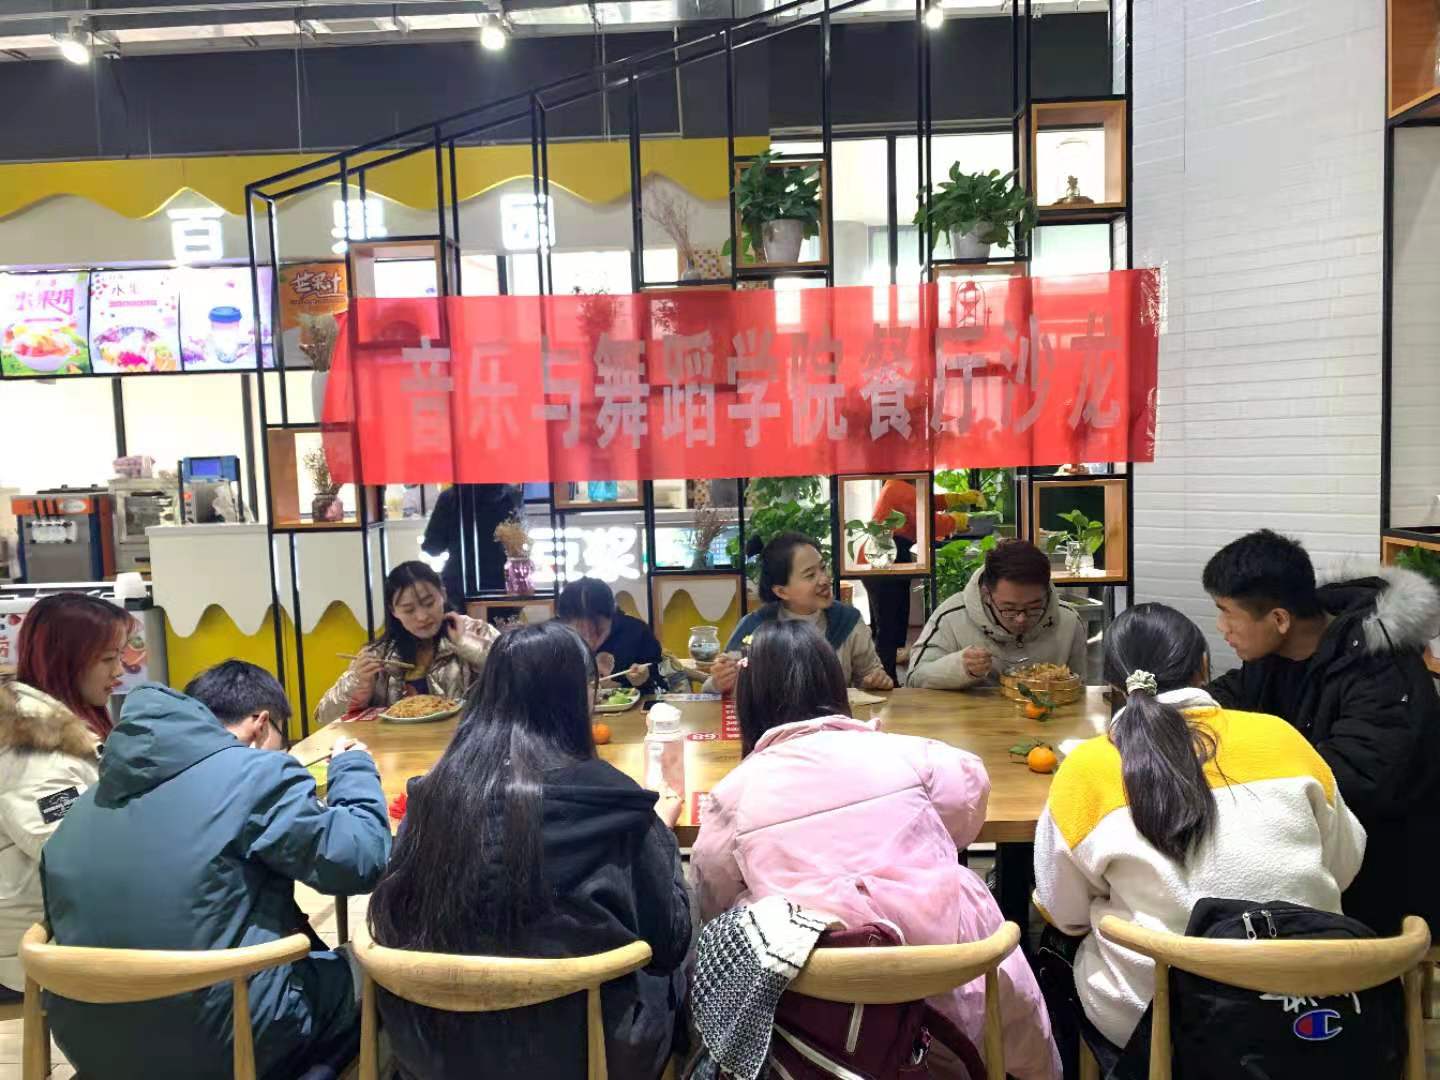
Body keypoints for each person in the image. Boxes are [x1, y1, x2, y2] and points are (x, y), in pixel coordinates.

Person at [692, 619, 1060, 1080]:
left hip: (818, 1029)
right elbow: (969, 800)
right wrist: (924, 843)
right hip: (957, 1014)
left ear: (750, 701)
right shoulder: (909, 754)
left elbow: (712, 896)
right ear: (834, 684)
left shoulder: (736, 792)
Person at [1032, 604, 1365, 1074]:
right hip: (1312, 1005)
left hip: (1159, 1021)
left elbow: (1064, 912)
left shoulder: (1088, 767)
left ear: (1112, 684)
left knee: (1055, 946)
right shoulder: (1282, 738)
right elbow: (1345, 864)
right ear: (1204, 667)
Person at [368, 621, 691, 1080]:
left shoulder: (432, 796)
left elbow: (390, 916)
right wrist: (659, 833)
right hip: (586, 1058)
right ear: (581, 696)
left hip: (433, 1054)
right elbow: (670, 940)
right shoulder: (615, 802)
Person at [41, 661, 390, 1080]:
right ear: (261, 724)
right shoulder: (255, 773)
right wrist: (353, 769)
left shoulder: (86, 805)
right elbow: (361, 861)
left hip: (93, 1048)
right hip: (229, 1043)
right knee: (387, 969)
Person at [1202, 529, 1440, 935]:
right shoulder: (1273, 653)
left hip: (1384, 875)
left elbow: (1354, 779)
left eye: (1227, 612)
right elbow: (1235, 694)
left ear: (1279, 619)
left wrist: (1246, 768)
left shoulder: (1381, 670)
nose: (1221, 626)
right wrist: (1180, 709)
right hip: (1317, 849)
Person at [0, 681, 99, 1004]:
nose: (118, 671)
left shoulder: (32, 726)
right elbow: (70, 851)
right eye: (106, 659)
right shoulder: (30, 736)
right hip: (33, 957)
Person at [316, 560, 498, 724]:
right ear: (393, 611)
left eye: (429, 603)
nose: (422, 617)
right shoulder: (380, 654)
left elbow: (513, 677)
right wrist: (358, 683)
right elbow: (324, 717)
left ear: (442, 594)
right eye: (409, 610)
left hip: (465, 742)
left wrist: (466, 644)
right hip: (399, 746)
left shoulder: (475, 631)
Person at [709, 532, 892, 693]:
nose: (824, 579)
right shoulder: (755, 627)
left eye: (823, 567)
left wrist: (876, 681)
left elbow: (869, 675)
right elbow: (714, 687)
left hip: (833, 720)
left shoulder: (847, 621)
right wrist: (719, 682)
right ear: (781, 591)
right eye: (810, 575)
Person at [906, 538, 1087, 690]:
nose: (1021, 619)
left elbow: (1082, 690)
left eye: (1034, 608)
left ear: (1047, 593)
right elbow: (914, 680)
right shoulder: (951, 617)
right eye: (1009, 609)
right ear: (986, 594)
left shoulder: (1068, 621)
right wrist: (959, 667)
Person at [864, 479, 978, 682]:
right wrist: (956, 521)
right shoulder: (899, 487)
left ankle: (885, 671)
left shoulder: (898, 486)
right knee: (888, 624)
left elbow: (924, 502)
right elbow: (929, 520)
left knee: (888, 620)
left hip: (884, 558)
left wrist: (954, 499)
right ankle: (886, 678)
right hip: (885, 558)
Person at [15, 592, 132, 740]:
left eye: (120, 656)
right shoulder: (45, 746)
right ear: (60, 661)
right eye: (108, 658)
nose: (119, 671)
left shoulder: (80, 719)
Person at [557, 576, 664, 694]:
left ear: (612, 616)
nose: (590, 640)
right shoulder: (553, 640)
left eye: (598, 631)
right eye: (580, 632)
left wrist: (644, 681)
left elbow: (662, 688)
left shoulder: (636, 633)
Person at [421, 483, 521, 602]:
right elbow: (519, 543)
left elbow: (432, 547)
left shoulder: (450, 497)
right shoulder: (512, 496)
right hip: (504, 585)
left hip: (460, 586)